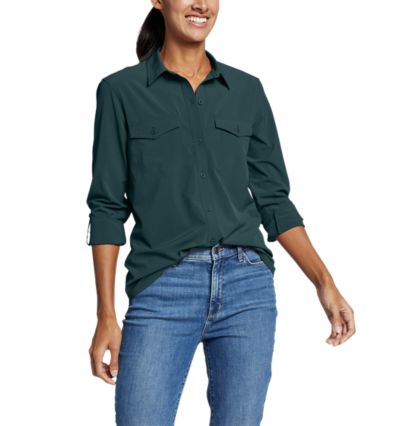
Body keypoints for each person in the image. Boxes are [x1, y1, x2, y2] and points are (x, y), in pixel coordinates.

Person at [86, 1, 356, 425]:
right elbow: (106, 206)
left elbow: (274, 201)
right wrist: (106, 314)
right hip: (163, 284)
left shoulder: (246, 91)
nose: (201, 4)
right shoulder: (121, 91)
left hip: (247, 287)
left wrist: (325, 283)